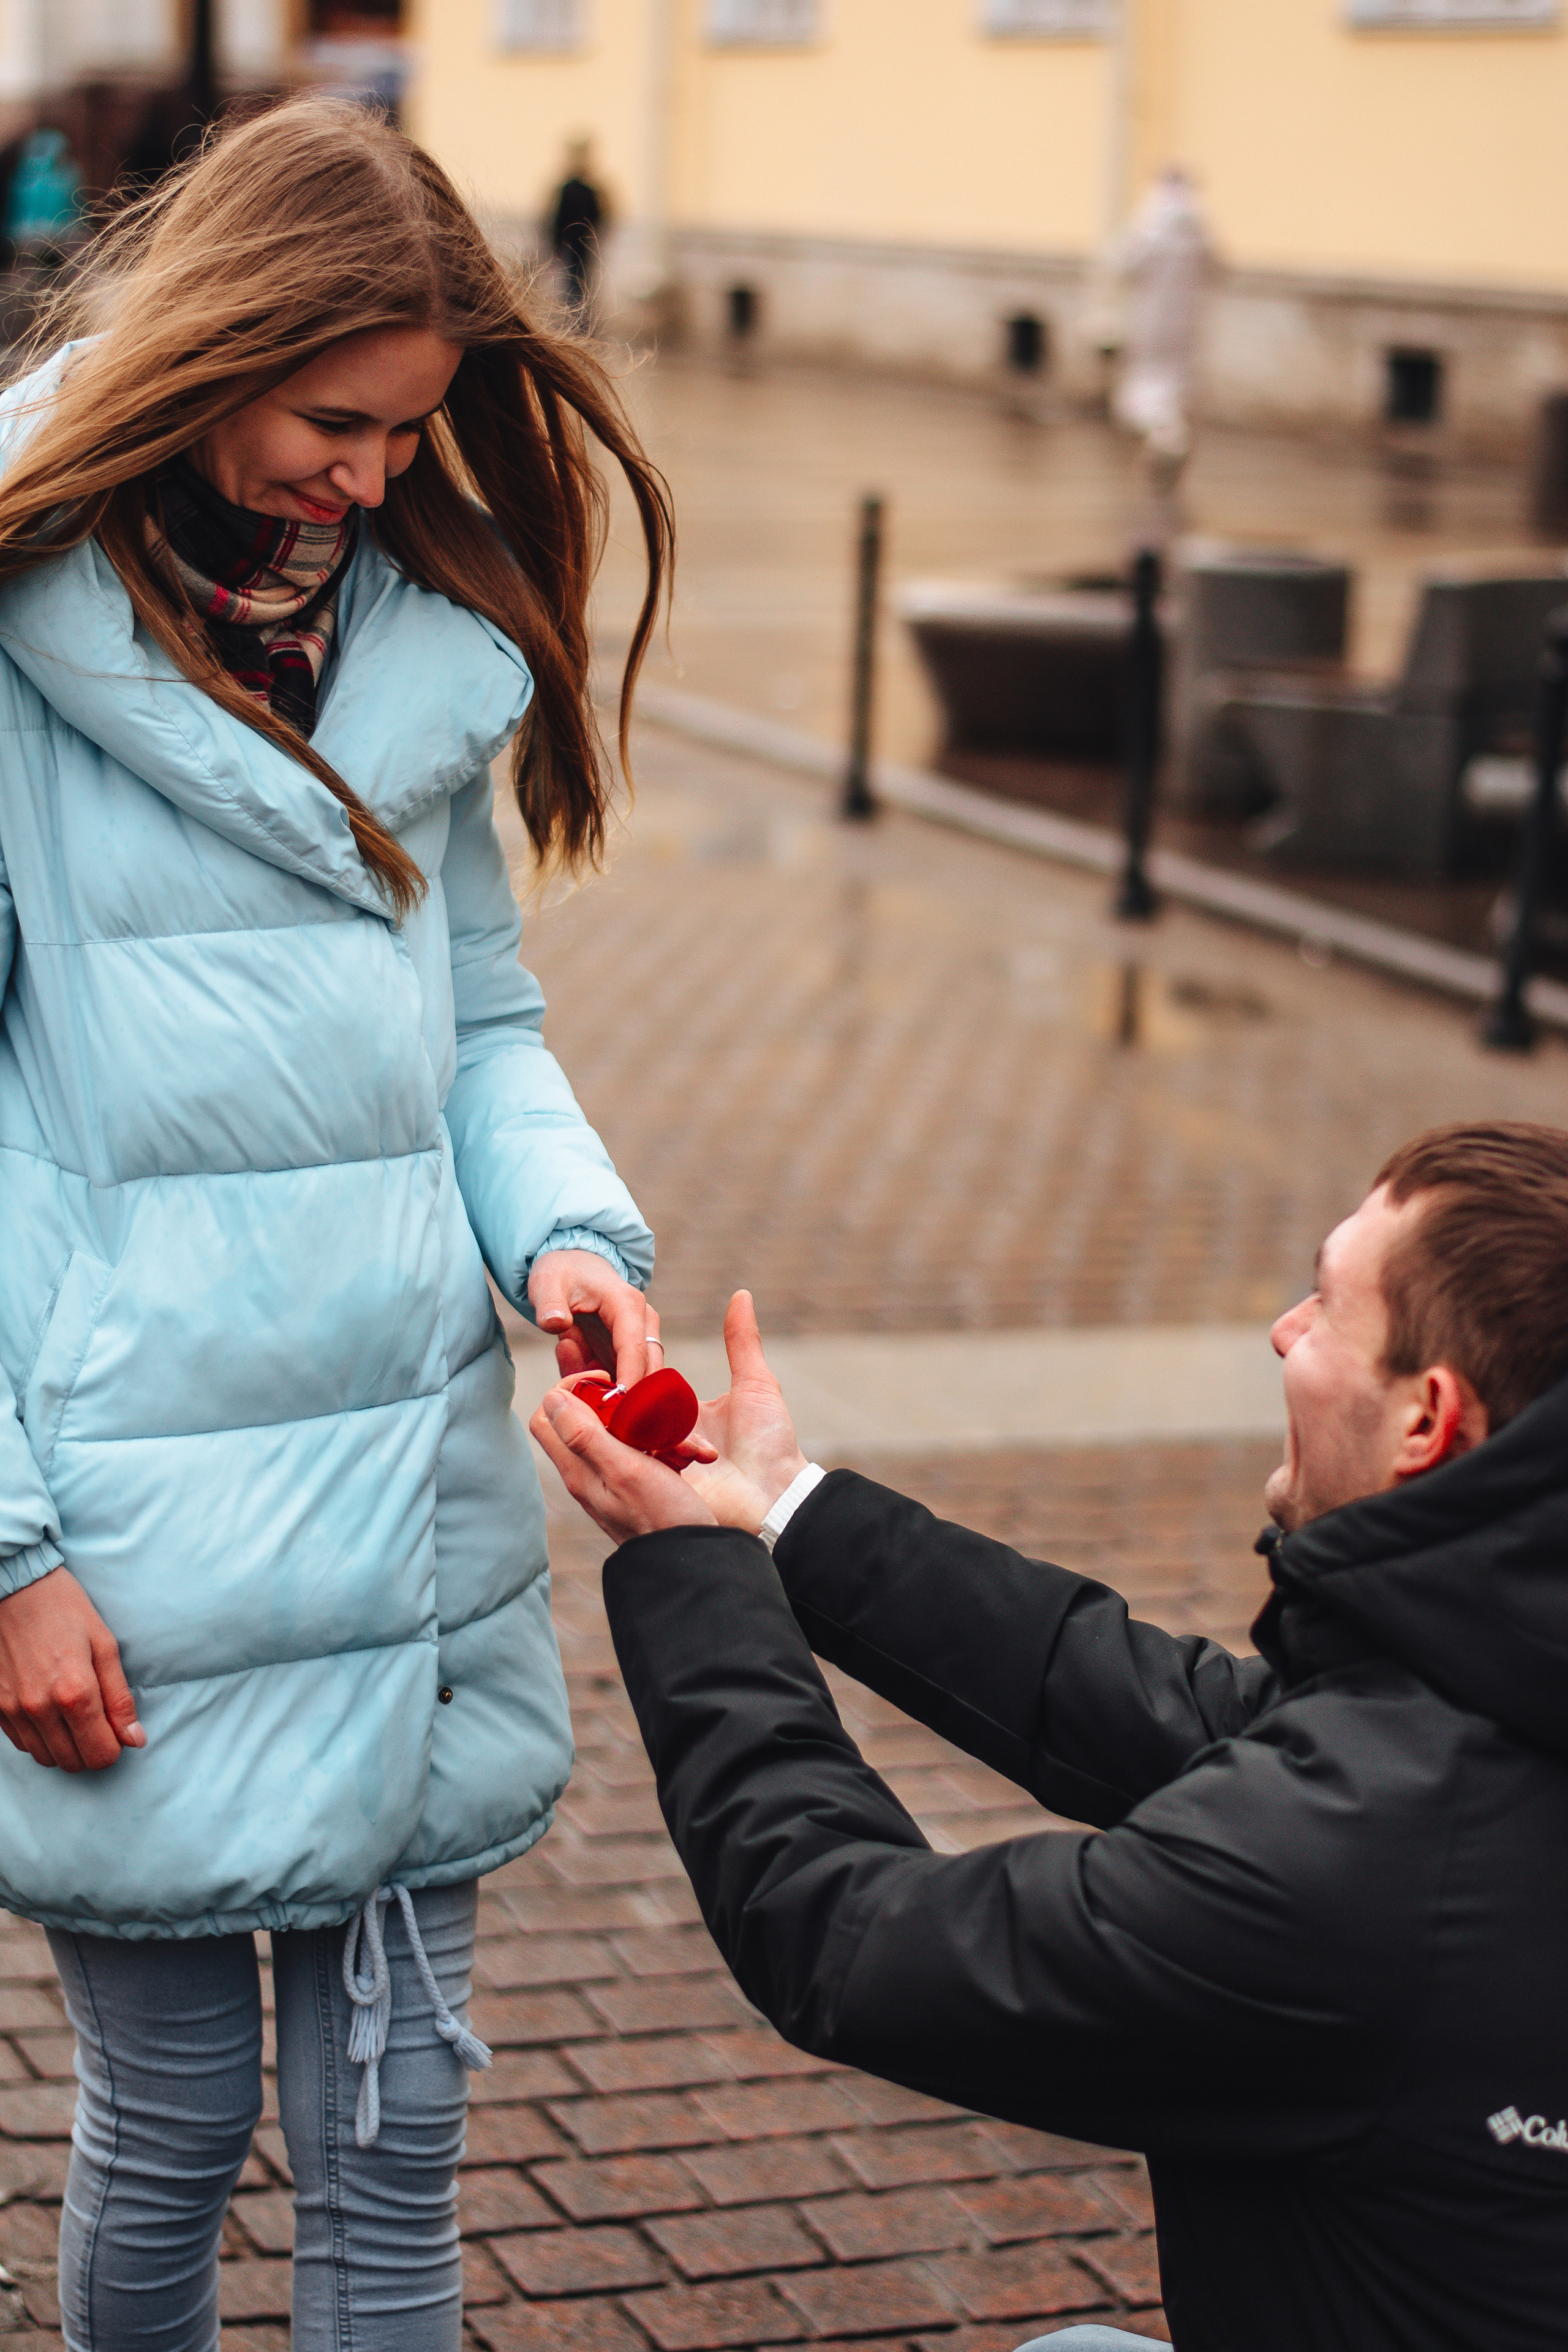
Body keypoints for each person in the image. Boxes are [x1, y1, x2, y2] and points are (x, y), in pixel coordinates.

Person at [0, 96, 675, 2351]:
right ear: (215, 353)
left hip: (403, 1504)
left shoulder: (409, 639)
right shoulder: (14, 643)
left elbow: (480, 1013)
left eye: (413, 431)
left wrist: (562, 1234)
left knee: (395, 2141)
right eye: (334, 420)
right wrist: (9, 1558)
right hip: (130, 1534)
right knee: (172, 2126)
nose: (372, 481)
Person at [535, 1120, 1568, 2352]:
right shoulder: (1487, 1687)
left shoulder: (1361, 1862)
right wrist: (780, 1516)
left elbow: (841, 1933)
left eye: (1326, 1305)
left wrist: (688, 1574)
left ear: (1425, 1420)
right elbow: (1149, 1701)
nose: (1283, 1329)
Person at [1109, 166, 1215, 484]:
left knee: (1148, 386)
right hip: (1187, 323)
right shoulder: (1200, 229)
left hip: (1151, 320)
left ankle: (1166, 440)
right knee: (1175, 382)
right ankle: (1171, 437)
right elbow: (1218, 267)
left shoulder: (1151, 227)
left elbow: (1121, 262)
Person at [549, 138, 605, 314]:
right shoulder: (579, 190)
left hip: (579, 244)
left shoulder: (577, 190)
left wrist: (556, 243)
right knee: (575, 282)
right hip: (578, 244)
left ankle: (576, 315)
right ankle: (577, 315)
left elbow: (559, 220)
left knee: (576, 283)